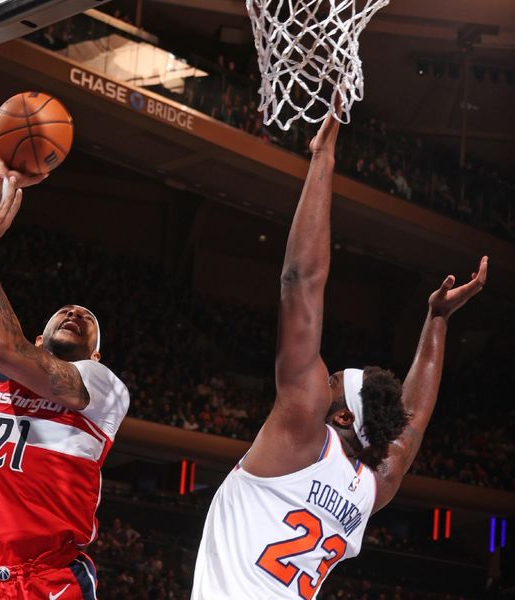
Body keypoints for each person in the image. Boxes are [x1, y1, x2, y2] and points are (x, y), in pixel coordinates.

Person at [192, 113, 488, 599]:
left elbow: (299, 284)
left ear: (343, 413)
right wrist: (437, 324)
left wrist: (323, 161)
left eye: (330, 384)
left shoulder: (302, 436)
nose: (319, 378)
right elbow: (409, 429)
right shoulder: (371, 487)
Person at [0, 136, 130, 600]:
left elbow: (7, 347)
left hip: (48, 578)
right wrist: (3, 181)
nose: (77, 315)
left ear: (96, 356)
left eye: (88, 321)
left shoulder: (101, 388)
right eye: (66, 311)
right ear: (40, 339)